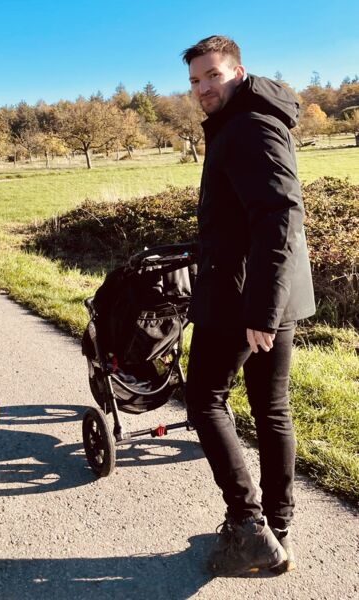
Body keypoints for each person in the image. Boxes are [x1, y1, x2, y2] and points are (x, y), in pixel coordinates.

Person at [182, 35, 315, 576]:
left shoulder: (249, 126)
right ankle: (275, 529)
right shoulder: (252, 117)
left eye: (212, 75)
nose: (203, 89)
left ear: (239, 71)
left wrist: (260, 311)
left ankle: (248, 524)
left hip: (245, 296)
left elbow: (281, 216)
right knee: (270, 408)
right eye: (194, 81)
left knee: (204, 399)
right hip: (271, 291)